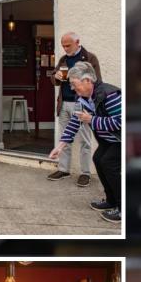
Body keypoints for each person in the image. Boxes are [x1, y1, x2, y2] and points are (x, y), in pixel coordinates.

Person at [49, 61, 122, 224]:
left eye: (75, 85)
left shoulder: (109, 95)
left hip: (121, 140)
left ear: (87, 81)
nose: (73, 89)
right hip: (108, 141)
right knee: (98, 160)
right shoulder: (83, 98)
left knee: (108, 163)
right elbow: (75, 122)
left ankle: (123, 208)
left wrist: (92, 120)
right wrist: (59, 147)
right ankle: (111, 200)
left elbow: (121, 122)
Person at [48, 32, 103, 187]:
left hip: (82, 104)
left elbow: (96, 82)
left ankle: (85, 173)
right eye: (63, 46)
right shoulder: (63, 59)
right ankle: (64, 169)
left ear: (77, 42)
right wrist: (56, 77)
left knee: (85, 140)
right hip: (64, 103)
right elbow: (54, 78)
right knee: (65, 137)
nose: (65, 48)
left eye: (68, 45)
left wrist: (90, 104)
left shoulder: (90, 58)